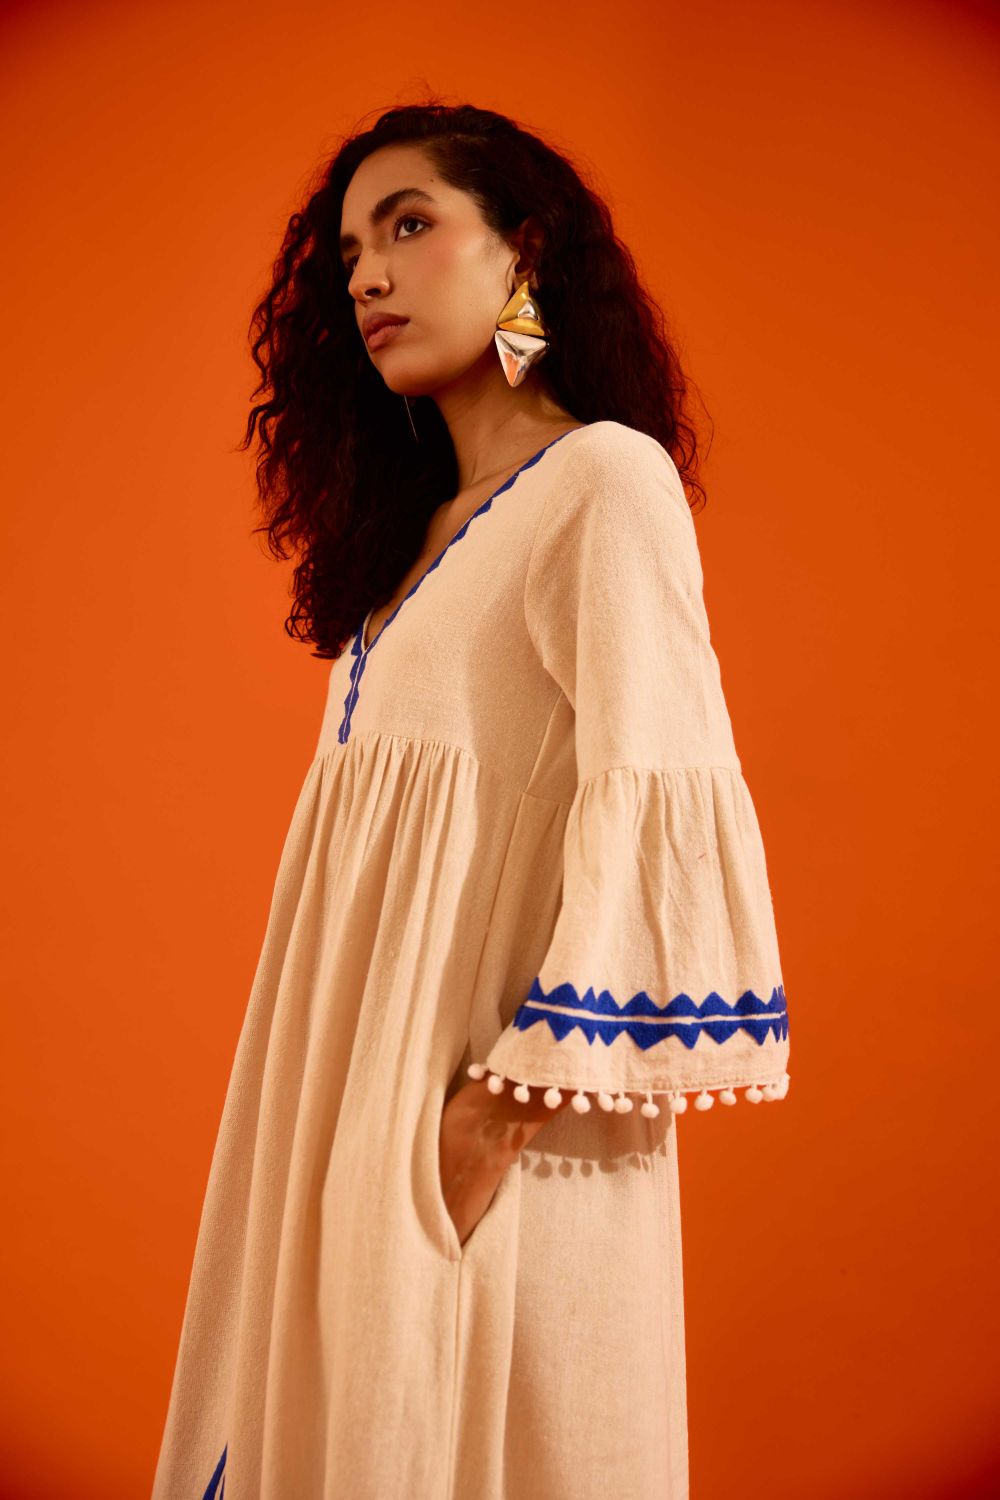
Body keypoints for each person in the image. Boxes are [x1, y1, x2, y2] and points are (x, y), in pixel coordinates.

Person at [150, 100, 791, 1500]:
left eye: (409, 225)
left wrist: (493, 1116)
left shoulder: (603, 482)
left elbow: (659, 795)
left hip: (489, 1125)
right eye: (348, 256)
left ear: (525, 250)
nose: (368, 276)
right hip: (343, 1104)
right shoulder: (408, 544)